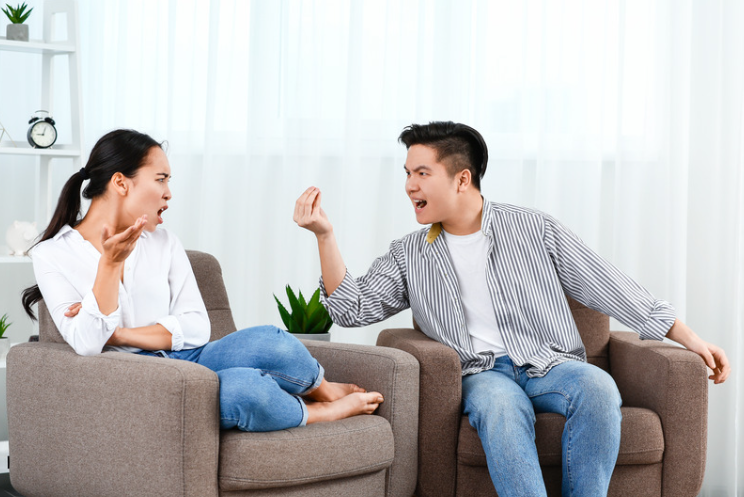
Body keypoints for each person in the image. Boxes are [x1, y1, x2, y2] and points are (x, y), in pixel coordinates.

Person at [294, 121, 730, 496]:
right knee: (501, 409)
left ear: (462, 179)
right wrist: (324, 236)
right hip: (480, 373)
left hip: (551, 364)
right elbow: (352, 308)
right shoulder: (410, 254)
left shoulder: (533, 228)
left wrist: (689, 338)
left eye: (422, 173)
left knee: (599, 388)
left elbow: (611, 286)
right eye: (408, 173)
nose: (410, 185)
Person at [21, 128, 383, 433]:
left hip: (191, 357)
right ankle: (320, 412)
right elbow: (86, 343)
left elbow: (197, 328)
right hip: (139, 380)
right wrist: (110, 266)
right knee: (245, 389)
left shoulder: (164, 242)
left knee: (272, 340)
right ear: (121, 183)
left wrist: (119, 334)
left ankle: (322, 389)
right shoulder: (53, 255)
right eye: (160, 179)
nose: (168, 193)